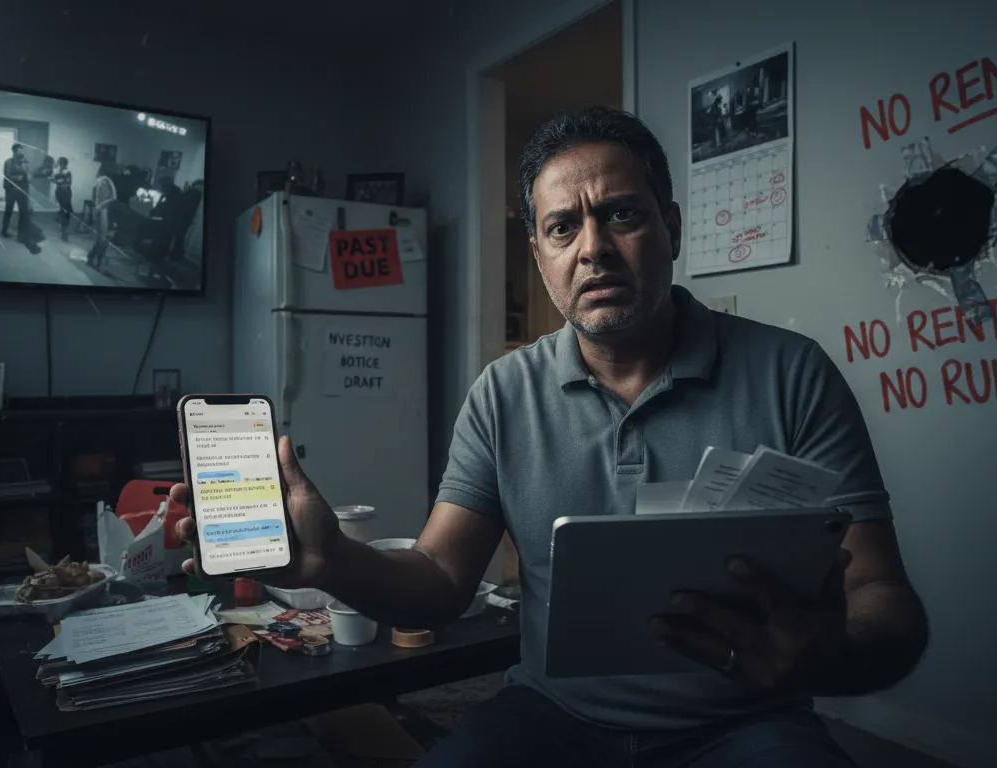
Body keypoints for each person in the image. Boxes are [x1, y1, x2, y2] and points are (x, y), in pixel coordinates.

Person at [171, 106, 929, 767]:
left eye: (622, 215)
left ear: (671, 225)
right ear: (539, 256)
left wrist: (829, 656)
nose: (592, 247)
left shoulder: (792, 373)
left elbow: (883, 597)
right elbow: (437, 582)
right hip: (555, 718)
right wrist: (329, 558)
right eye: (562, 227)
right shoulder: (503, 393)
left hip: (747, 723)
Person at [0, 143, 41, 253]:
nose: (21, 153)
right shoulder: (8, 162)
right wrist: (19, 177)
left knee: (24, 212)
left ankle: (21, 234)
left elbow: (28, 178)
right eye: (19, 151)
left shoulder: (26, 163)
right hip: (11, 191)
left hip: (23, 191)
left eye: (22, 151)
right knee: (8, 210)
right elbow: (8, 176)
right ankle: (4, 231)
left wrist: (25, 171)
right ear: (14, 152)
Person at [87, 161, 118, 271]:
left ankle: (92, 258)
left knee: (101, 238)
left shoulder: (100, 180)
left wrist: (96, 207)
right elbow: (113, 197)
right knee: (103, 238)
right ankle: (95, 260)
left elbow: (95, 197)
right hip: (103, 211)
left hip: (100, 210)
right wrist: (101, 206)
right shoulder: (107, 180)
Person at [50, 157, 74, 242]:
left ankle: (65, 231)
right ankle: (64, 229)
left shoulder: (67, 172)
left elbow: (67, 182)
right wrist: (55, 177)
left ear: (63, 164)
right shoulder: (59, 172)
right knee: (63, 210)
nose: (58, 164)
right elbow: (53, 180)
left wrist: (57, 180)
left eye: (59, 163)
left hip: (65, 192)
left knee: (66, 210)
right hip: (60, 192)